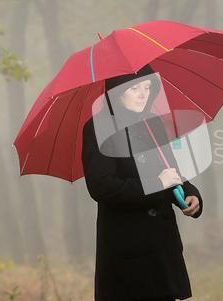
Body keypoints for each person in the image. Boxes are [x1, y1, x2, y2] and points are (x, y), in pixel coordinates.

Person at [81, 64, 203, 301]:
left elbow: (172, 170)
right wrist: (156, 183)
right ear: (116, 90)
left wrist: (191, 193)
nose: (143, 94)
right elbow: (102, 186)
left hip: (163, 250)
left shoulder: (152, 123)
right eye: (134, 88)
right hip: (128, 258)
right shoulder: (99, 127)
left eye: (147, 87)